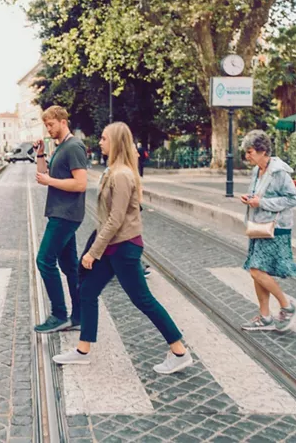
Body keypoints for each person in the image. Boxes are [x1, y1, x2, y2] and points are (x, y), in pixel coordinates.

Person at [52, 122, 192, 374]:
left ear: (115, 142)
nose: (100, 142)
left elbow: (115, 219)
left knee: (143, 299)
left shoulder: (121, 175)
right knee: (87, 290)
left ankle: (179, 350)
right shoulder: (114, 171)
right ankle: (83, 350)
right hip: (113, 246)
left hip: (123, 248)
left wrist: (93, 252)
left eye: (104, 138)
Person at [238, 130, 296, 332]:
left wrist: (262, 202)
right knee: (258, 272)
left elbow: (293, 199)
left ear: (263, 150)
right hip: (259, 226)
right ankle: (265, 317)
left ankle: (286, 306)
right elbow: (260, 195)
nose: (247, 156)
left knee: (256, 270)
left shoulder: (279, 171)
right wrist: (251, 198)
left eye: (250, 152)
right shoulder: (258, 170)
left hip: (276, 228)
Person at [32, 105, 87, 333]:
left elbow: (81, 183)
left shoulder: (74, 146)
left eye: (51, 124)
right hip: (60, 211)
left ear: (63, 121)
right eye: (46, 125)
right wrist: (41, 154)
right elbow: (44, 176)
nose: (48, 129)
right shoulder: (61, 147)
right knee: (69, 266)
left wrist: (50, 182)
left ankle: (59, 314)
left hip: (66, 214)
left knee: (44, 260)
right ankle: (79, 316)